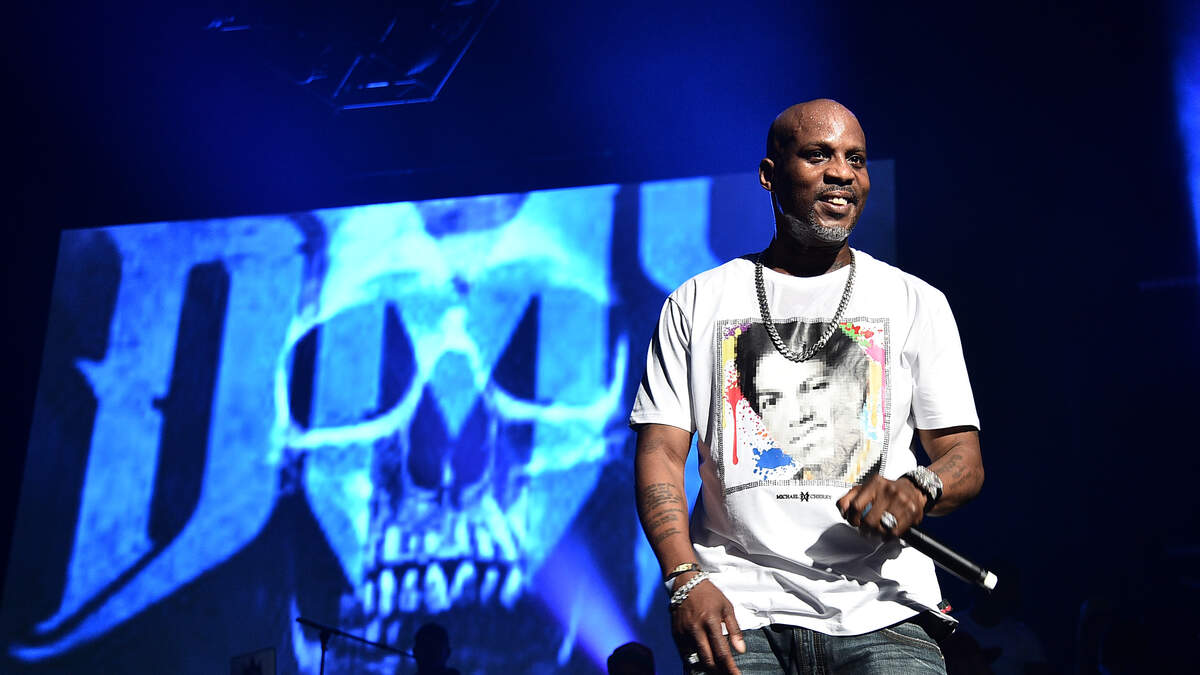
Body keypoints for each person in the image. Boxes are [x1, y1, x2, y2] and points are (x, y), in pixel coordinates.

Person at [630, 99, 984, 675]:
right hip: (740, 613)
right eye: (818, 155)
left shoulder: (917, 301)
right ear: (770, 175)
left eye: (856, 159)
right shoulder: (697, 301)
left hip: (883, 611)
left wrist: (919, 488)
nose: (842, 172)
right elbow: (661, 454)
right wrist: (683, 577)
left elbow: (963, 457)